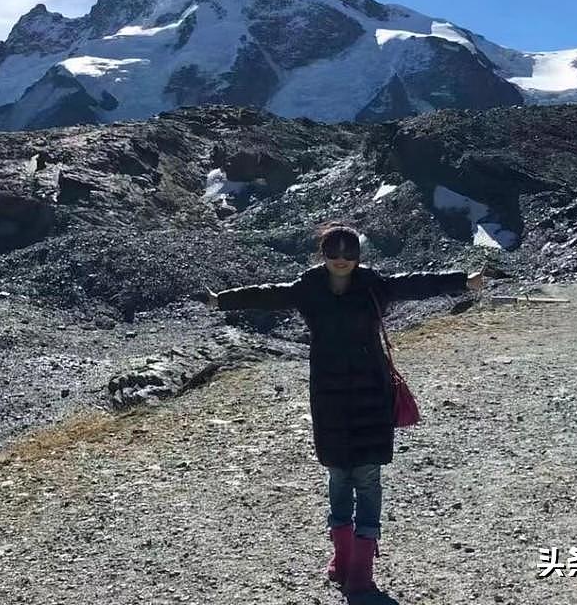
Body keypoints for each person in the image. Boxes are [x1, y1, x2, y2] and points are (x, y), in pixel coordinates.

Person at [205, 222, 482, 596]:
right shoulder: (308, 288)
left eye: (348, 252)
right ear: (322, 255)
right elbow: (269, 295)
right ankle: (344, 558)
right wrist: (223, 299)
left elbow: (417, 283)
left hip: (370, 392)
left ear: (358, 256)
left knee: (367, 479)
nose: (341, 259)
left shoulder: (374, 285)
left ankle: (360, 571)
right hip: (330, 395)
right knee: (338, 478)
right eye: (333, 252)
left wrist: (463, 280)